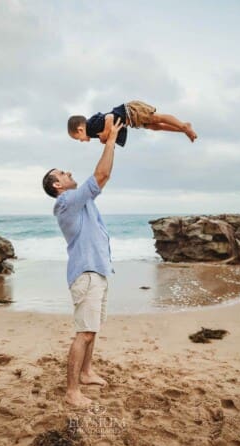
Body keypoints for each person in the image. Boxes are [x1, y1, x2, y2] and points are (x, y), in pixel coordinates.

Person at [42, 118, 123, 408]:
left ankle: (87, 373)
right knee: (84, 332)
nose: (69, 172)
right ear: (57, 185)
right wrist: (110, 140)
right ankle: (72, 391)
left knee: (93, 329)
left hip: (97, 271)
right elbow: (101, 176)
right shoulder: (66, 202)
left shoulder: (79, 201)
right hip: (86, 274)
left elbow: (99, 180)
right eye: (63, 173)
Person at [67, 100, 197, 147]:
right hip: (130, 120)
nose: (82, 141)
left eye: (79, 139)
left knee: (158, 119)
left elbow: (110, 117)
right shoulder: (91, 131)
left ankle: (183, 126)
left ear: (80, 130)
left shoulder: (90, 127)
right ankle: (182, 129)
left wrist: (106, 134)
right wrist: (105, 139)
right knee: (155, 127)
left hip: (130, 111)